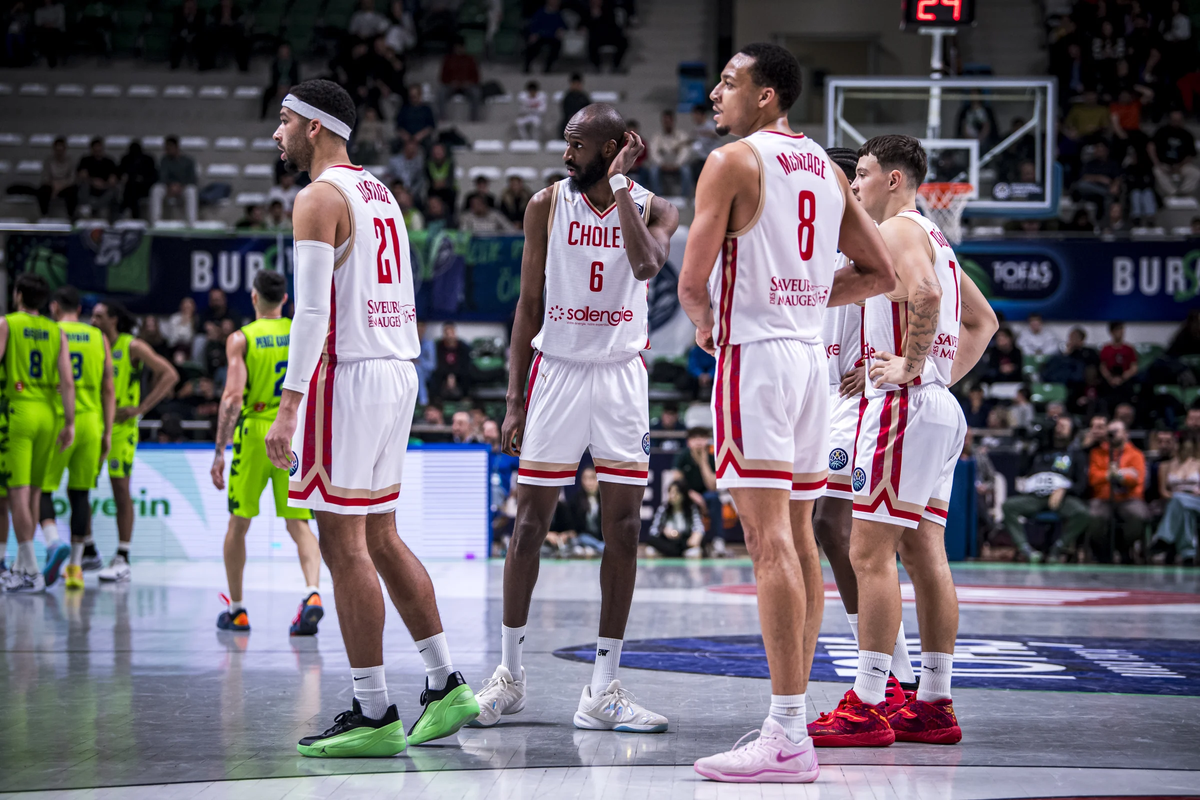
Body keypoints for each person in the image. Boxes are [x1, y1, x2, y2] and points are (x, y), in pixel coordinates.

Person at [676, 44, 895, 782]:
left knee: (769, 545)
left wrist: (707, 322)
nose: (715, 92)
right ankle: (790, 722)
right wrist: (807, 302)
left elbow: (692, 281)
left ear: (767, 97)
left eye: (730, 82)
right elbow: (880, 274)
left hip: (759, 360)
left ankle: (786, 733)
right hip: (808, 360)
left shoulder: (733, 161)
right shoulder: (829, 171)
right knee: (798, 541)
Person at [265, 79, 479, 756]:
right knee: (381, 537)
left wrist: (289, 405)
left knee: (344, 546)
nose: (277, 134)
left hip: (348, 374)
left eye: (284, 121)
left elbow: (311, 312)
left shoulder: (318, 197)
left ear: (316, 129)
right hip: (397, 369)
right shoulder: (379, 192)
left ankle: (372, 708)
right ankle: (446, 683)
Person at [471, 102, 679, 732]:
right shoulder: (544, 205)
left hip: (620, 375)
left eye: (579, 145)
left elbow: (646, 265)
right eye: (566, 143)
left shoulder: (655, 208)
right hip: (556, 370)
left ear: (616, 147)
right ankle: (509, 676)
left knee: (623, 530)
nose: (567, 155)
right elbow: (527, 304)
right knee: (528, 524)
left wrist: (618, 184)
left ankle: (603, 689)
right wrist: (514, 400)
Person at [807, 135, 997, 749]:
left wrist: (911, 368)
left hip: (904, 408)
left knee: (870, 555)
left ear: (892, 179)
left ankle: (867, 703)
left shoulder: (897, 232)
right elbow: (983, 321)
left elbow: (926, 297)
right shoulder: (935, 237)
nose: (854, 185)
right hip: (938, 409)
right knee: (924, 555)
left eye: (860, 174)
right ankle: (934, 702)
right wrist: (936, 375)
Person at [813, 147, 917, 696]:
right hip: (821, 396)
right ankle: (890, 669)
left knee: (837, 528)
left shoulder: (877, 238)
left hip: (860, 399)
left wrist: (879, 368)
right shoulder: (817, 242)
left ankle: (887, 673)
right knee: (830, 533)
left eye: (850, 177)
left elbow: (913, 302)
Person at [209, 271, 323, 635]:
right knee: (298, 523)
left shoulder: (241, 339)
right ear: (286, 300)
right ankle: (313, 593)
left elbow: (231, 397)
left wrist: (218, 451)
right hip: (294, 430)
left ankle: (238, 610)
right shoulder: (301, 333)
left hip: (256, 431)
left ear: (254, 298)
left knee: (238, 524)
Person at [91, 299, 179, 583]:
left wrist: (141, 409)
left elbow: (169, 374)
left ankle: (123, 556)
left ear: (113, 319)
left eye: (99, 316)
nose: (93, 321)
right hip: (93, 425)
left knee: (120, 489)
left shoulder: (132, 346)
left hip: (121, 428)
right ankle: (88, 550)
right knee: (80, 488)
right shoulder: (93, 343)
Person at [0, 274, 75, 594]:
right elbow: (67, 381)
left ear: (18, 294)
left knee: (16, 492)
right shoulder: (55, 331)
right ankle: (21, 565)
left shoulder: (7, 323)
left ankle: (30, 568)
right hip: (48, 413)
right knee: (32, 493)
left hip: (17, 410)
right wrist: (69, 422)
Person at [36, 286, 113, 590]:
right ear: (80, 310)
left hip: (59, 421)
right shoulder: (99, 337)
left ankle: (54, 542)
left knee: (42, 490)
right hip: (92, 422)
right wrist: (107, 431)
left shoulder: (51, 332)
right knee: (80, 494)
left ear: (54, 307)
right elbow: (109, 388)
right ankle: (76, 568)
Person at [1001, 415, 1090, 562]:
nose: (1059, 429)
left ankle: (1058, 548)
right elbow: (1022, 471)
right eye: (1058, 426)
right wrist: (1026, 446)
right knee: (1009, 506)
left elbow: (1082, 484)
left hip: (1061, 497)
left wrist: (1065, 490)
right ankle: (1026, 550)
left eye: (1064, 426)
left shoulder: (1076, 454)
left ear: (1072, 432)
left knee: (1082, 513)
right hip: (1034, 496)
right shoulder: (1039, 450)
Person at [1087, 419, 1148, 563]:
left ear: (1126, 434)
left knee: (1139, 515)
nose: (1112, 434)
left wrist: (1119, 475)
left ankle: (1125, 548)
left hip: (1129, 498)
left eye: (1116, 431)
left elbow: (1137, 479)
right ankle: (1103, 552)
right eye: (1110, 432)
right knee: (1093, 515)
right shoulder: (1097, 453)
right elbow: (1093, 478)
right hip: (1103, 498)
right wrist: (1107, 475)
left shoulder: (1136, 454)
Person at [1151, 432, 1200, 564]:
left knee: (1180, 501)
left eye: (1188, 447)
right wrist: (1177, 498)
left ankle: (1164, 538)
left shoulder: (1198, 464)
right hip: (1175, 502)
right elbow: (1163, 491)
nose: (1185, 450)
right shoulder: (1165, 466)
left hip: (1197, 500)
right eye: (1182, 446)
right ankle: (1188, 554)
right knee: (1184, 510)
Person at [646, 480, 706, 557]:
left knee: (697, 546)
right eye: (670, 492)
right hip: (668, 542)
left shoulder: (691, 509)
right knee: (651, 545)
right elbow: (653, 531)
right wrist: (664, 530)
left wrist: (696, 535)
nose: (672, 496)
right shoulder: (664, 509)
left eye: (676, 493)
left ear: (683, 494)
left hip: (684, 541)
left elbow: (699, 527)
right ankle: (676, 553)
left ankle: (677, 552)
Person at [150, 136, 199, 227]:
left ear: (177, 147)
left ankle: (191, 222)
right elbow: (162, 177)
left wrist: (180, 186)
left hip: (183, 188)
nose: (167, 150)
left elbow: (192, 179)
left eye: (170, 148)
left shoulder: (188, 161)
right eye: (166, 148)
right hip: (168, 188)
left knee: (191, 191)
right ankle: (155, 222)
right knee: (156, 189)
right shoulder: (164, 160)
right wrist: (170, 186)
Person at [1149, 109, 1200, 196]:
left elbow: (1191, 154)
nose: (1176, 122)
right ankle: (1173, 193)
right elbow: (1151, 147)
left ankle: (1183, 193)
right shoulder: (1161, 131)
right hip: (1163, 164)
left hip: (1181, 165)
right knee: (1156, 171)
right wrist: (1157, 164)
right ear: (1170, 120)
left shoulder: (1187, 135)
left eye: (1179, 120)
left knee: (1195, 173)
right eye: (1174, 120)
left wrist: (1179, 166)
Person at [649, 109, 693, 197]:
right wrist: (662, 164)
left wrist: (677, 164)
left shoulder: (682, 135)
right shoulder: (657, 137)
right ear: (662, 122)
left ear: (673, 121)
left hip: (678, 165)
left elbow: (685, 152)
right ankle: (657, 197)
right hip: (662, 165)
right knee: (653, 171)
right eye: (665, 121)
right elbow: (653, 152)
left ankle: (684, 198)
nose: (667, 123)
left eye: (669, 121)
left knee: (686, 171)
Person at [437, 37, 482, 121]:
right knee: (441, 93)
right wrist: (451, 82)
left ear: (464, 47)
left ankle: (474, 119)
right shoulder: (448, 59)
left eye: (461, 47)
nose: (459, 49)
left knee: (476, 92)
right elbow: (442, 77)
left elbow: (477, 78)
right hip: (451, 86)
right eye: (457, 47)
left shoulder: (470, 59)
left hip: (467, 86)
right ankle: (442, 118)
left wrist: (468, 83)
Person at [76, 136, 119, 222]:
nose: (98, 149)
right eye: (95, 147)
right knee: (83, 186)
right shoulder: (85, 160)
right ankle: (88, 207)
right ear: (91, 148)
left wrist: (103, 184)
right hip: (90, 188)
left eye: (99, 147)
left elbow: (113, 179)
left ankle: (94, 206)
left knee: (114, 191)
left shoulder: (109, 162)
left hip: (104, 190)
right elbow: (82, 175)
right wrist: (93, 182)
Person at [1099, 320, 1138, 409]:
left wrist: (1123, 378)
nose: (1121, 332)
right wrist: (1110, 378)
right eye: (1118, 329)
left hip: (1125, 380)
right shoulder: (1106, 349)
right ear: (1112, 332)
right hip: (1110, 381)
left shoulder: (1129, 349)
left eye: (1122, 329)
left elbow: (1134, 367)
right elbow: (1102, 366)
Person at [37, 136, 78, 218]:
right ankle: (44, 215)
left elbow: (72, 178)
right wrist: (53, 185)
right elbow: (45, 176)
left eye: (61, 149)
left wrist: (61, 185)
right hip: (52, 185)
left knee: (73, 192)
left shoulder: (70, 160)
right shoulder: (48, 160)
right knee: (43, 190)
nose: (59, 152)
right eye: (57, 150)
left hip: (65, 185)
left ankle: (71, 216)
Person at [583, 0, 627, 72]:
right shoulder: (586, 10)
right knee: (592, 42)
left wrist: (600, 16)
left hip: (609, 35)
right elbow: (584, 24)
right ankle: (595, 65)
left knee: (623, 41)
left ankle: (616, 65)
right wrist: (593, 18)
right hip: (595, 36)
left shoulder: (608, 8)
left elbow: (612, 25)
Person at [524, 0, 565, 74]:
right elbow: (533, 25)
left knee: (556, 46)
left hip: (552, 37)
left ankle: (548, 68)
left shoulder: (559, 14)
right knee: (532, 45)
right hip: (540, 36)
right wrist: (534, 33)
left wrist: (560, 30)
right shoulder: (540, 13)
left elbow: (563, 26)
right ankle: (527, 66)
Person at [261, 42, 299, 119]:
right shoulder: (275, 64)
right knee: (267, 93)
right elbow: (273, 78)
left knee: (299, 95)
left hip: (291, 85)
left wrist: (287, 87)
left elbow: (296, 78)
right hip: (278, 85)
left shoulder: (294, 63)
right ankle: (263, 115)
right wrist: (279, 87)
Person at [558, 73, 590, 138]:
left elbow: (588, 110)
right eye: (574, 84)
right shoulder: (567, 97)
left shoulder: (584, 97)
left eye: (577, 84)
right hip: (569, 120)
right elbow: (565, 110)